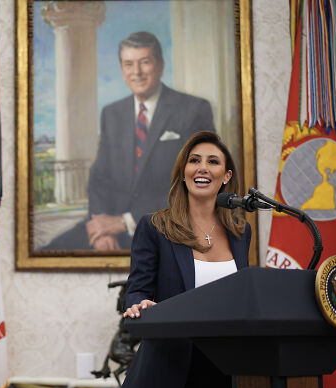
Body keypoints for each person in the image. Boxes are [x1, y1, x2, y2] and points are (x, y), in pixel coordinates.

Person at [119, 131, 251, 388]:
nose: (202, 168)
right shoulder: (155, 227)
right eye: (194, 160)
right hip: (169, 371)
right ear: (183, 171)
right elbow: (137, 288)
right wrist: (140, 304)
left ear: (226, 176)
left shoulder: (240, 231)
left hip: (225, 374)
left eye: (212, 161)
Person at [43, 31, 215, 251]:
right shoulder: (112, 113)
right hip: (110, 225)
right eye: (128, 64)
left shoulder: (193, 110)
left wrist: (125, 222)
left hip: (166, 228)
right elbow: (99, 178)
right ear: (122, 70)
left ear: (160, 66)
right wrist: (100, 228)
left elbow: (197, 184)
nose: (137, 72)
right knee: (52, 251)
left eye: (145, 62)